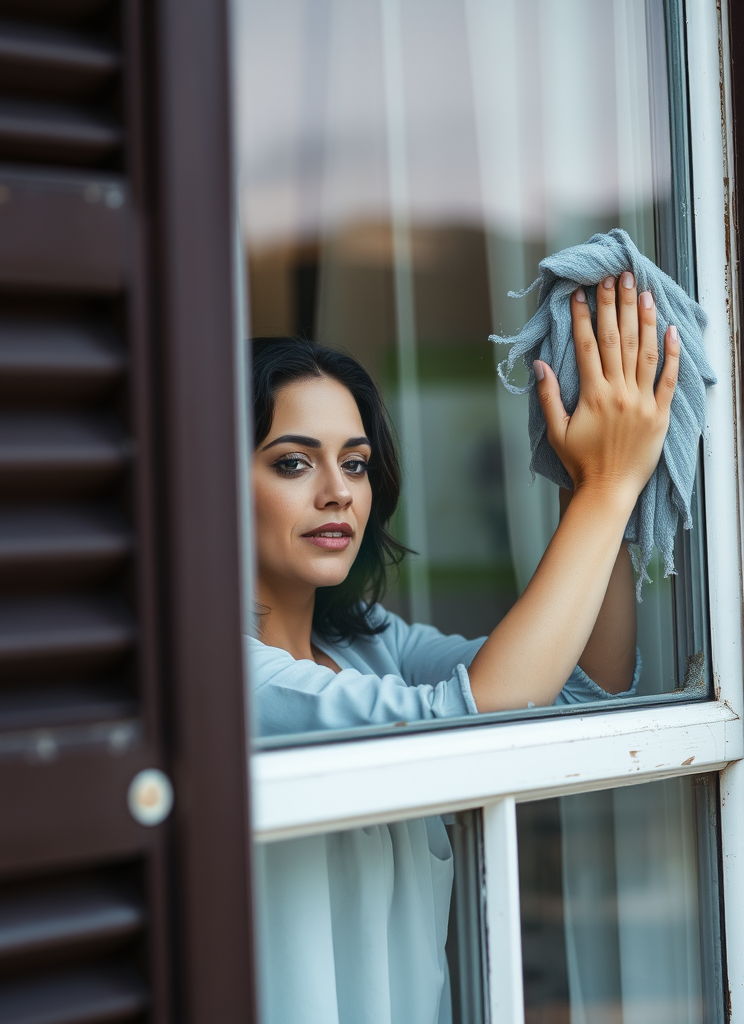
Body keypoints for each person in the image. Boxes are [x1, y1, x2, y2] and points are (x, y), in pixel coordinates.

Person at [249, 274, 679, 1024]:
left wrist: (586, 481)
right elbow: (483, 710)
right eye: (293, 461)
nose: (338, 492)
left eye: (354, 463)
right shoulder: (234, 685)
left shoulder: (366, 646)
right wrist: (610, 486)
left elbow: (582, 683)